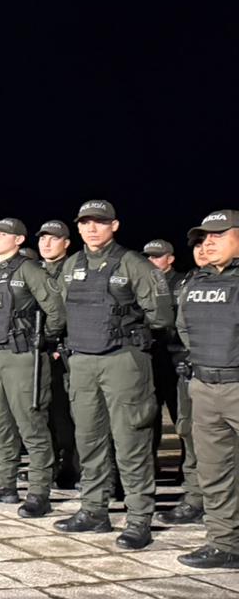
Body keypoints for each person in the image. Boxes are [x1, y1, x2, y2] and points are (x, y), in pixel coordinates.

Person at [53, 200, 171, 550]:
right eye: (86, 223)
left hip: (123, 361)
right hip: (83, 362)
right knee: (88, 440)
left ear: (114, 225)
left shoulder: (133, 263)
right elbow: (61, 310)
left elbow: (162, 316)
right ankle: (93, 510)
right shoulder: (72, 264)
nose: (92, 229)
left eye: (100, 223)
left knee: (130, 441)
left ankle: (138, 519)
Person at [0, 217, 65, 516]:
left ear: (20, 240)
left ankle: (39, 492)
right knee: (1, 425)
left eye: (3, 234)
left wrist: (41, 341)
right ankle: (5, 484)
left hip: (24, 357)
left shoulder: (28, 269)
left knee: (32, 426)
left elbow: (56, 310)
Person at [171, 211, 239, 568]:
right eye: (203, 237)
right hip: (205, 385)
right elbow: (185, 329)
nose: (208, 242)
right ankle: (223, 543)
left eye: (218, 235)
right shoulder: (193, 283)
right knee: (214, 472)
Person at [159, 232, 209, 527]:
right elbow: (181, 325)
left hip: (227, 372)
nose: (203, 250)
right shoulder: (192, 282)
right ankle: (194, 498)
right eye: (198, 245)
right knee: (189, 432)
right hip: (191, 368)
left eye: (210, 242)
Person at [37, 220, 79, 489]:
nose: (46, 243)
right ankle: (50, 466)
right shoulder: (35, 271)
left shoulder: (75, 268)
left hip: (68, 352)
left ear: (66, 243)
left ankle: (74, 467)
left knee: (73, 414)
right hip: (42, 352)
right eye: (42, 239)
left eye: (54, 239)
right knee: (46, 412)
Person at [144, 238, 188, 472]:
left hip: (176, 357)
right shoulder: (143, 283)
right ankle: (150, 465)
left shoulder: (182, 283)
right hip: (152, 356)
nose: (151, 261)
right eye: (148, 257)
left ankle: (186, 467)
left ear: (170, 259)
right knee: (149, 416)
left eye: (156, 256)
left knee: (180, 416)